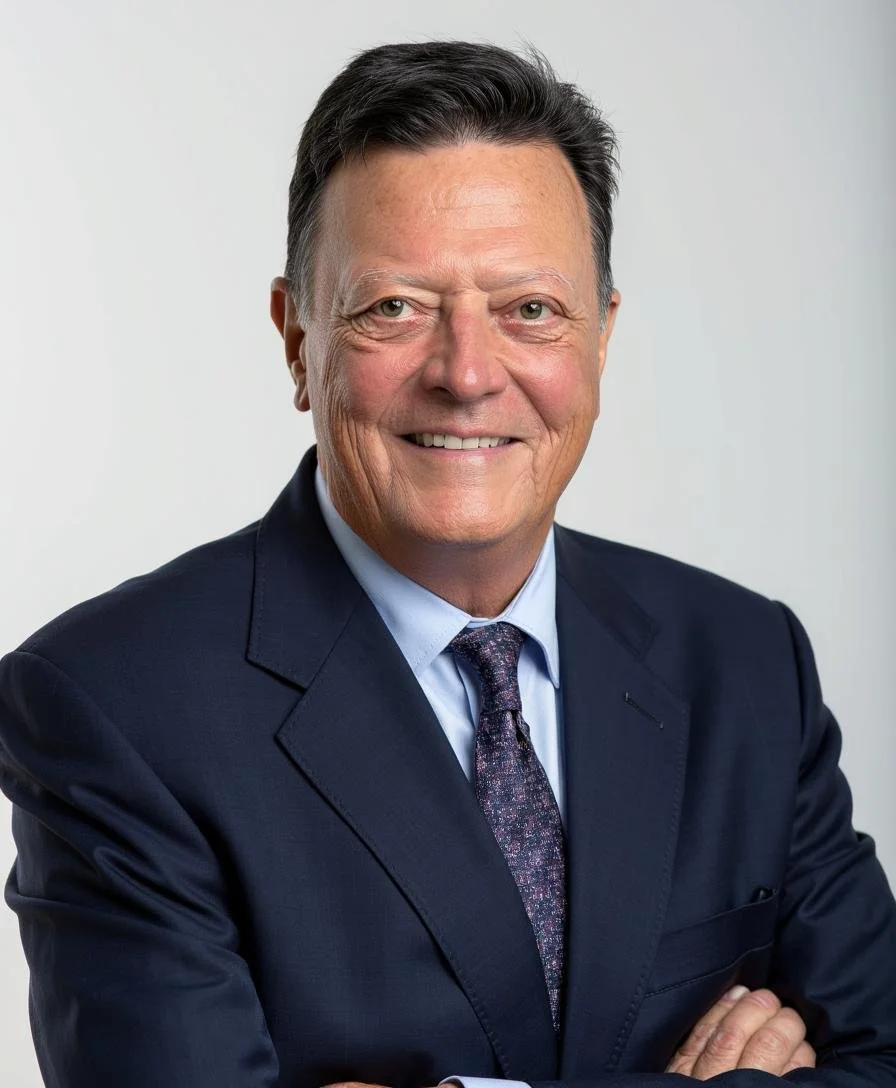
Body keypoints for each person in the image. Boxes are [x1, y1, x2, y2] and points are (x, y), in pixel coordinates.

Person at [1, 40, 894, 1088]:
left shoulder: (745, 662)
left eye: (529, 309)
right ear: (296, 340)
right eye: (394, 307)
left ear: (600, 337)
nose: (467, 374)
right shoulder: (113, 703)